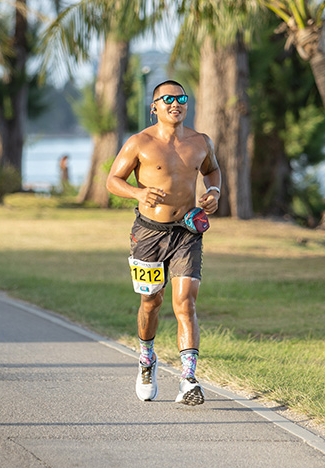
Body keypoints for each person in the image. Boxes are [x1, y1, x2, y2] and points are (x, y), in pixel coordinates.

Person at [106, 80, 221, 406]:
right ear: (154, 106)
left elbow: (213, 172)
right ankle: (146, 359)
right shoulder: (139, 142)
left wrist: (214, 192)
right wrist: (138, 192)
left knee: (186, 302)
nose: (175, 104)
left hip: (187, 231)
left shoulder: (201, 142)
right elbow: (113, 180)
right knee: (151, 303)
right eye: (167, 99)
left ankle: (188, 380)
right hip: (148, 234)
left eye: (181, 98)